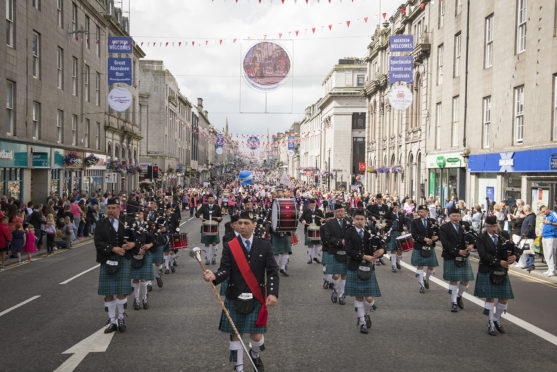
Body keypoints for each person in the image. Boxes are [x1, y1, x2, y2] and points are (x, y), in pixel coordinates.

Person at [203, 211, 279, 372]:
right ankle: (239, 367)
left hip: (256, 295)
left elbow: (272, 271)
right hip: (234, 294)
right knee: (235, 333)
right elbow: (225, 270)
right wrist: (214, 276)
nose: (242, 226)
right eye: (240, 223)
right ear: (236, 225)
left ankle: (255, 354)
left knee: (256, 336)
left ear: (253, 225)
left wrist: (272, 293)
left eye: (246, 223)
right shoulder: (230, 245)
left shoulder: (264, 245)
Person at [94, 198, 136, 333]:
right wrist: (113, 249)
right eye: (109, 208)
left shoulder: (127, 222)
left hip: (123, 259)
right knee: (108, 293)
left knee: (121, 292)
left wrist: (132, 244)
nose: (111, 211)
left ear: (119, 209)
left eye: (113, 208)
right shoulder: (101, 223)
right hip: (107, 259)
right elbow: (98, 242)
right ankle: (112, 321)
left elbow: (139, 237)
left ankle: (121, 318)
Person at [474, 216, 518, 336]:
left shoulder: (503, 235)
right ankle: (490, 323)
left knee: (504, 298)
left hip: (501, 270)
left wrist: (514, 257)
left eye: (494, 226)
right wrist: (499, 262)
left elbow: (511, 249)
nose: (493, 228)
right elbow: (483, 255)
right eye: (490, 226)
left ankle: (496, 318)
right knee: (490, 297)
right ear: (486, 227)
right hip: (487, 269)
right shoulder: (481, 238)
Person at [345, 210, 384, 334]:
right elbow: (349, 251)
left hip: (368, 267)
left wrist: (382, 250)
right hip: (355, 266)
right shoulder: (349, 232)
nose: (359, 221)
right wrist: (364, 256)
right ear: (353, 219)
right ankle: (362, 322)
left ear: (365, 219)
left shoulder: (370, 231)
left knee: (369, 298)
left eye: (361, 219)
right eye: (357, 219)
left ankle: (366, 314)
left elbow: (381, 242)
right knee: (358, 297)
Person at [439, 208, 475, 312]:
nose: (456, 218)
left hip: (463, 256)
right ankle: (454, 302)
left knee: (465, 280)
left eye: (458, 216)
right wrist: (458, 251)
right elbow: (445, 243)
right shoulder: (444, 227)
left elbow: (473, 238)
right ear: (449, 216)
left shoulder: (464, 226)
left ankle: (459, 296)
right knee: (453, 280)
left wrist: (472, 245)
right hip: (451, 255)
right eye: (454, 216)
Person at [323, 203, 350, 305]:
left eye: (341, 211)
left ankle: (342, 295)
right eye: (338, 211)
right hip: (334, 251)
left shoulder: (348, 222)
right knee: (336, 275)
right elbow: (327, 238)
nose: (340, 213)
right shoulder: (330, 223)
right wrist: (339, 242)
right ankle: (335, 290)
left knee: (344, 275)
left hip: (346, 252)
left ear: (344, 211)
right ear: (334, 212)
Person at [411, 205, 440, 293]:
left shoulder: (432, 221)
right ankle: (421, 286)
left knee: (431, 267)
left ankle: (426, 278)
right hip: (419, 246)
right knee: (420, 266)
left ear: (427, 212)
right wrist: (424, 239)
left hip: (429, 246)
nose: (421, 213)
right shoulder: (415, 222)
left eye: (423, 212)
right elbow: (414, 234)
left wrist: (436, 237)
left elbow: (438, 233)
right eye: (419, 212)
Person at [196, 194, 223, 265]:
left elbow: (220, 217)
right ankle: (208, 259)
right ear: (207, 200)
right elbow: (197, 213)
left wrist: (220, 219)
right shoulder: (204, 206)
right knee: (206, 243)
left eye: (212, 198)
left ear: (214, 199)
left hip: (214, 227)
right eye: (210, 198)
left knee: (214, 243)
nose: (211, 199)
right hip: (206, 227)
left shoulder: (217, 207)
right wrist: (200, 216)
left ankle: (213, 258)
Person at [299, 199, 324, 264]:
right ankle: (310, 258)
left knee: (318, 244)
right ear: (309, 205)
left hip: (317, 228)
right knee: (310, 244)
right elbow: (301, 218)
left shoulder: (319, 211)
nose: (313, 206)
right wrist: (303, 221)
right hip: (309, 229)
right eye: (311, 205)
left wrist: (322, 220)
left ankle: (316, 257)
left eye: (314, 205)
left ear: (315, 205)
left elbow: (323, 219)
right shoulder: (306, 211)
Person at [386, 202, 407, 273]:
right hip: (392, 233)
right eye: (395, 207)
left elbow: (405, 221)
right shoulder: (389, 214)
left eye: (397, 207)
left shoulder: (401, 214)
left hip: (400, 233)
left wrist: (405, 226)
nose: (396, 208)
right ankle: (393, 266)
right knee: (393, 249)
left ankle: (397, 261)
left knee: (400, 250)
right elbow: (386, 221)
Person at [517, 205, 536, 271]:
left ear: (526, 210)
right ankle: (528, 264)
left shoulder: (531, 217)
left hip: (528, 237)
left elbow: (531, 226)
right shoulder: (529, 216)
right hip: (526, 236)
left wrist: (527, 234)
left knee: (529, 251)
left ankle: (531, 265)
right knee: (527, 251)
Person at [540, 205, 557, 277]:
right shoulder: (546, 216)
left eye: (544, 211)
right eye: (542, 212)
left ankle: (552, 270)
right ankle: (549, 269)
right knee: (546, 254)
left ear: (547, 209)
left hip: (552, 236)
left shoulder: (554, 214)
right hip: (545, 236)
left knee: (551, 253)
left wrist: (549, 223)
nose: (543, 213)